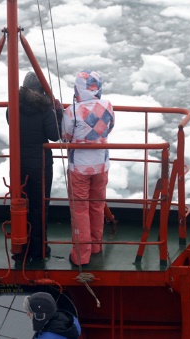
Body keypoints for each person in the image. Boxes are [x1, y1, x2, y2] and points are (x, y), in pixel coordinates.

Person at [6, 71, 63, 260]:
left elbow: (10, 123)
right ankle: (39, 250)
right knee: (40, 207)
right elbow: (55, 135)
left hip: (19, 164)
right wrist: (59, 113)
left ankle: (22, 248)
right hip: (41, 164)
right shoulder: (45, 109)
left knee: (22, 205)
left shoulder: (12, 106)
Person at [61, 70, 115, 266]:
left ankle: (81, 254)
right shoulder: (107, 106)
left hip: (80, 169)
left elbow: (66, 136)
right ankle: (96, 245)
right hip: (101, 165)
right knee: (97, 205)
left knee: (80, 210)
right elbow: (109, 128)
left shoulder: (71, 111)